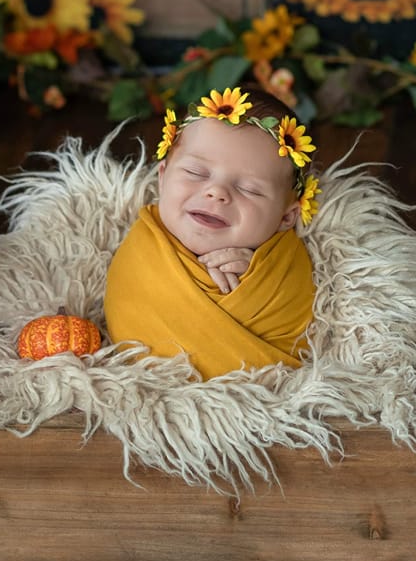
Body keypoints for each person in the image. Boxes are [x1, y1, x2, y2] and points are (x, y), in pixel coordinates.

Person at [104, 86, 323, 380]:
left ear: (287, 217)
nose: (216, 192)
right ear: (162, 177)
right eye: (196, 173)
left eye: (249, 189)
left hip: (254, 390)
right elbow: (125, 300)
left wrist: (256, 281)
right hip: (140, 383)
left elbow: (299, 323)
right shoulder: (143, 245)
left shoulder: (284, 262)